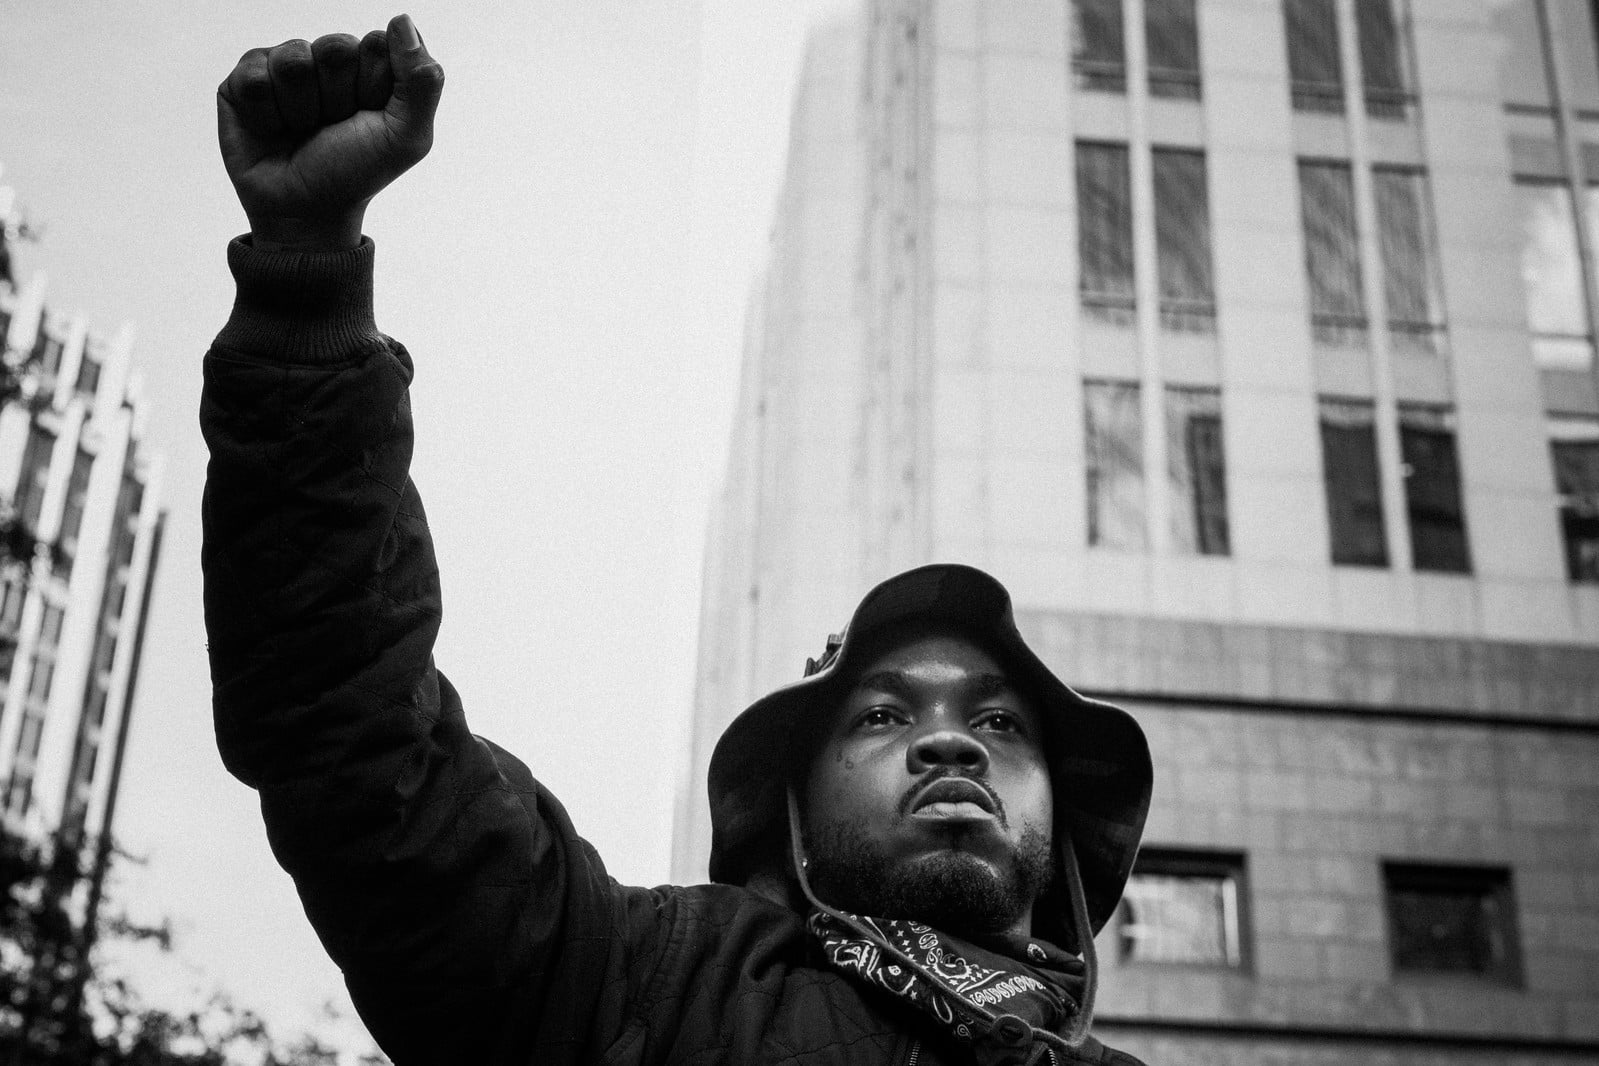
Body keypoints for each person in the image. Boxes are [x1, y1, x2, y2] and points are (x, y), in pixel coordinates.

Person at [202, 16, 1154, 1066]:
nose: (952, 742)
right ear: (791, 809)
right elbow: (352, 736)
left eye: (1002, 723)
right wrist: (306, 283)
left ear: (1063, 816)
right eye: (883, 713)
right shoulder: (636, 982)